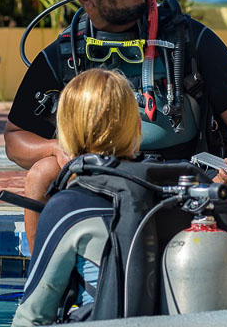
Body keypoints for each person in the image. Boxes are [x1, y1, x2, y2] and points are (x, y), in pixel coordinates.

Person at [4, 0, 227, 261]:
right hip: (101, 176)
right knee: (40, 174)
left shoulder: (190, 39)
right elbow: (15, 137)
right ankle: (44, 287)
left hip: (185, 173)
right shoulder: (64, 55)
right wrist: (53, 149)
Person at [13, 69, 139, 326]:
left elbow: (32, 315)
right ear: (137, 126)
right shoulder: (174, 190)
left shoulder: (69, 207)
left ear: (65, 132)